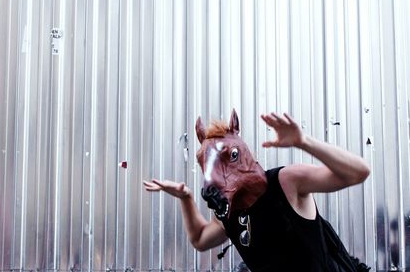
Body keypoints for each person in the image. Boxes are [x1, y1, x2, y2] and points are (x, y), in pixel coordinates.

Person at [143, 110, 371, 272]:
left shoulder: (286, 182)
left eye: (231, 156)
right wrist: (186, 198)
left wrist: (304, 142)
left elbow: (358, 173)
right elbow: (201, 239)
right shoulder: (229, 211)